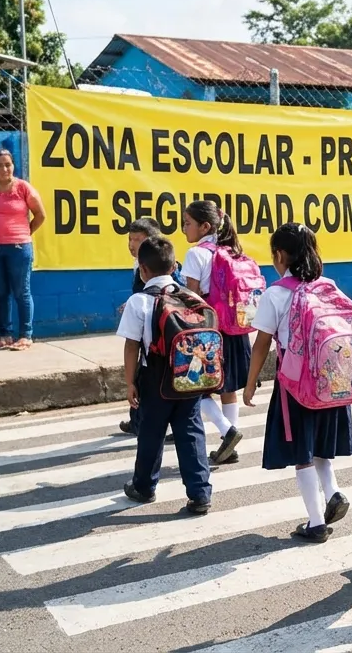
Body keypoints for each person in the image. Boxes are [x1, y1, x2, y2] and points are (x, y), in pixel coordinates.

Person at [242, 223, 352, 543]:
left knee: (302, 452)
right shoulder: (328, 284)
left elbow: (262, 344)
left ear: (279, 255)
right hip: (331, 379)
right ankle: (333, 492)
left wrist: (250, 384)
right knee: (320, 444)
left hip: (295, 384)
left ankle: (317, 523)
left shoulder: (275, 294)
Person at [118, 236, 212, 515]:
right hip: (190, 376)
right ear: (173, 267)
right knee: (191, 431)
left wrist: (129, 383)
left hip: (155, 377)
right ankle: (200, 493)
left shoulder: (139, 301)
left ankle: (144, 487)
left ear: (142, 270)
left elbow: (132, 345)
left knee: (151, 432)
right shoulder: (191, 298)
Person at [181, 200, 246, 465]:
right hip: (234, 328)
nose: (184, 229)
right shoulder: (231, 250)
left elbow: (192, 296)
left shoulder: (196, 254)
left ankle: (228, 431)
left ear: (205, 226)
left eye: (187, 224)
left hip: (209, 328)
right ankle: (230, 446)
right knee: (227, 387)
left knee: (197, 386)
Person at [119, 218, 184, 436]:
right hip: (150, 331)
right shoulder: (137, 265)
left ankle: (142, 421)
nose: (132, 244)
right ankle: (136, 419)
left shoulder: (160, 267)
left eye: (138, 239)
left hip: (159, 336)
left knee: (144, 377)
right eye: (130, 239)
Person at [0, 148, 45, 351]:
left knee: (21, 292)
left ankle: (26, 335)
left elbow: (40, 215)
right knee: (0, 292)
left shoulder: (24, 188)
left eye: (8, 164)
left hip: (19, 248)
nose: (5, 168)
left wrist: (23, 234)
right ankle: (4, 336)